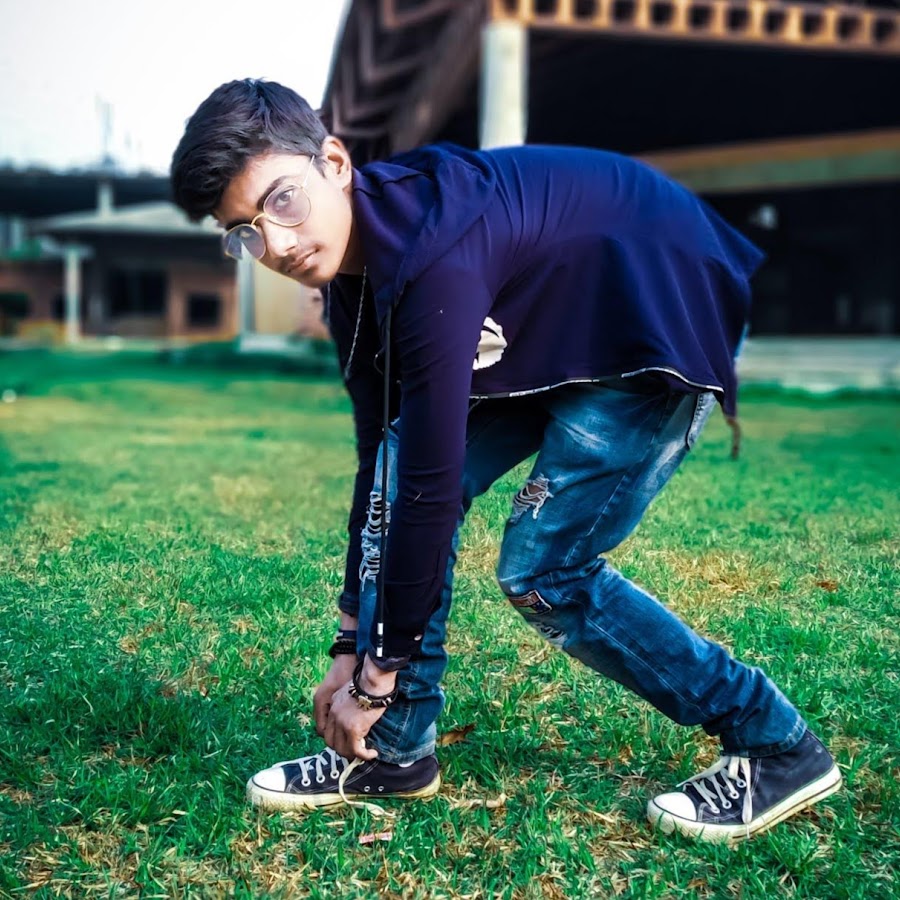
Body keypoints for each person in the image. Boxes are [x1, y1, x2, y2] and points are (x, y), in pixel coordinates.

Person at [170, 78, 842, 843]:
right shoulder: (351, 278)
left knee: (544, 571)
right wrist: (351, 642)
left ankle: (777, 745)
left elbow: (428, 491)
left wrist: (375, 676)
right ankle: (393, 752)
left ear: (334, 162)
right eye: (245, 232)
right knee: (397, 463)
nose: (278, 244)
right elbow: (381, 460)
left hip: (655, 306)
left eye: (283, 202)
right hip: (556, 320)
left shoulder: (434, 257)